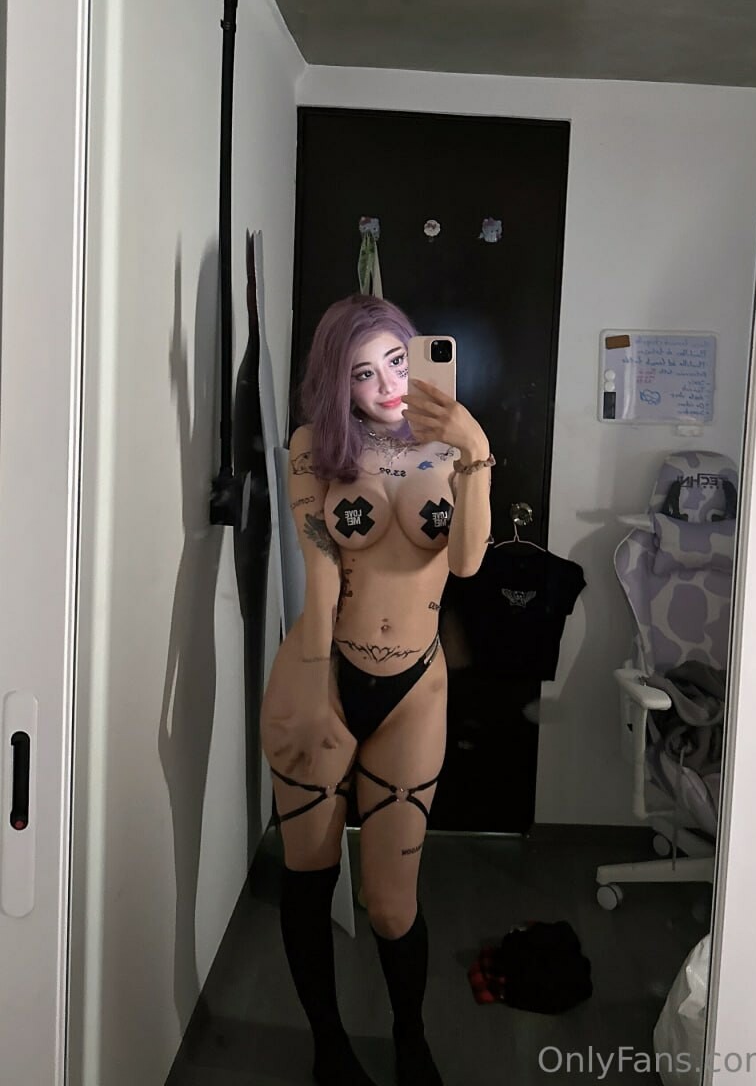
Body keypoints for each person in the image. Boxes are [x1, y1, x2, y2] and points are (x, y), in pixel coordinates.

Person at [260, 294, 493, 1086]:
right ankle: (327, 1046)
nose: (389, 384)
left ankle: (410, 1039)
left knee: (392, 905)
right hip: (322, 672)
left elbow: (466, 562)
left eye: (397, 360)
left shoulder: (451, 445)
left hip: (414, 690)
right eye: (363, 374)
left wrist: (475, 450)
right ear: (339, 384)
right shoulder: (313, 448)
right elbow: (320, 572)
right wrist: (309, 690)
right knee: (310, 873)